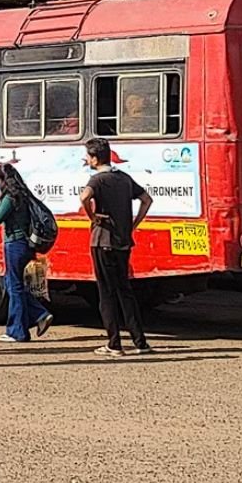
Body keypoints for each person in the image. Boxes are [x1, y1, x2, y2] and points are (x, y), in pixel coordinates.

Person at [79, 137, 154, 357]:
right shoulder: (124, 178)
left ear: (94, 158)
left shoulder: (97, 180)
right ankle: (140, 342)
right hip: (123, 242)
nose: (86, 159)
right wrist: (134, 224)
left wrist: (92, 216)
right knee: (125, 292)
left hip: (102, 241)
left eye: (87, 156)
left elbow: (84, 197)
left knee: (106, 293)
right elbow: (147, 200)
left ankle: (114, 344)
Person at [0, 163, 54, 343]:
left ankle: (17, 331)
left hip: (14, 244)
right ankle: (36, 317)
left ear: (3, 180)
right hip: (27, 244)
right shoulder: (24, 195)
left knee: (15, 287)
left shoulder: (10, 198)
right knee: (14, 285)